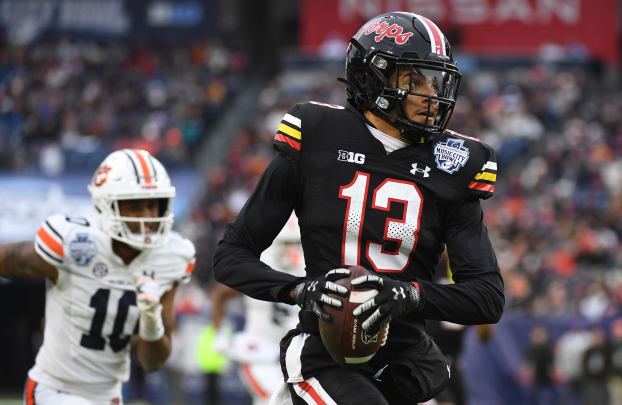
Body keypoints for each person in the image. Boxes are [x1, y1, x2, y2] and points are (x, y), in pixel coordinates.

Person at [214, 11, 504, 405]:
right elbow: (231, 256)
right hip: (323, 355)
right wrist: (300, 290)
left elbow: (487, 297)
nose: (431, 95)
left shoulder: (453, 163)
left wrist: (409, 296)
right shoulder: (316, 136)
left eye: (434, 81)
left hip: (403, 363)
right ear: (373, 77)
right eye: (414, 80)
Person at [0, 149, 196, 405]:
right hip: (54, 391)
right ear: (105, 205)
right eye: (135, 205)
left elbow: (152, 362)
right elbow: (8, 260)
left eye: (153, 204)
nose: (147, 216)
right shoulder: (75, 243)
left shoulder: (171, 257)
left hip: (108, 398)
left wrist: (151, 322)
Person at [210, 214, 304, 405]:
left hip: (298, 352)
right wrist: (219, 332)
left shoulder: (309, 265)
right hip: (262, 350)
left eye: (294, 243)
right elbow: (221, 294)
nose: (289, 249)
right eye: (285, 243)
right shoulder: (260, 264)